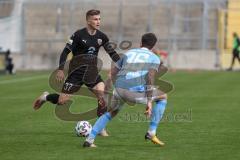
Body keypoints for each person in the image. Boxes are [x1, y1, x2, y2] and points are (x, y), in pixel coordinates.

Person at [33, 9, 119, 136]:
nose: (98, 21)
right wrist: (61, 69)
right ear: (88, 20)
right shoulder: (78, 35)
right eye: (95, 19)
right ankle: (45, 97)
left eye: (99, 19)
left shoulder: (102, 37)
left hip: (92, 73)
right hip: (76, 74)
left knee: (103, 97)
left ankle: (100, 128)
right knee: (62, 101)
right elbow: (65, 52)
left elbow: (112, 53)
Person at [83, 33, 168, 148]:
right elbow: (150, 77)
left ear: (140, 43)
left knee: (111, 112)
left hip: (119, 89)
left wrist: (111, 91)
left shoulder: (128, 53)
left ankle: (89, 139)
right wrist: (149, 101)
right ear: (153, 46)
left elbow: (112, 73)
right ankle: (151, 132)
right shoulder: (154, 57)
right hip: (133, 92)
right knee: (163, 96)